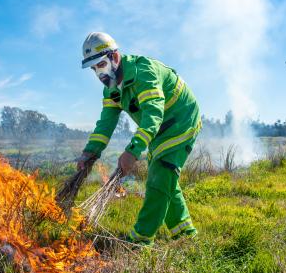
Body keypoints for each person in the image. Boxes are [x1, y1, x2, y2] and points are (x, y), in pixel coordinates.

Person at [78, 32, 201, 246]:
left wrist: (132, 152)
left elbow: (153, 115)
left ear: (114, 57)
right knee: (166, 177)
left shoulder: (144, 72)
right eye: (94, 69)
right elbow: (105, 124)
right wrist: (90, 153)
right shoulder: (111, 90)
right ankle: (185, 233)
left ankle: (140, 240)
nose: (98, 73)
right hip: (160, 128)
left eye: (101, 65)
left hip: (181, 119)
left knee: (160, 175)